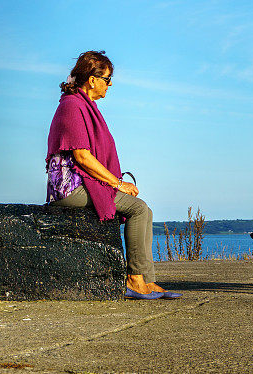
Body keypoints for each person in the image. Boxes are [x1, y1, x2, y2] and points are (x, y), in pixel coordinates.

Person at [46, 50, 181, 300]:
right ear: (92, 79)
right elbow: (82, 156)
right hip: (70, 188)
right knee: (138, 209)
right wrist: (117, 184)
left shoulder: (84, 106)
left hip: (83, 182)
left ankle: (147, 281)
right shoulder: (72, 106)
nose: (110, 85)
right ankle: (134, 279)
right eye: (107, 79)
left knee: (145, 211)